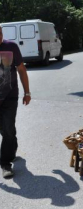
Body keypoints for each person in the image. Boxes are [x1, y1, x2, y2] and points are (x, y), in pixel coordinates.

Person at [0, 26, 31, 178]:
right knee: (5, 130)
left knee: (8, 129)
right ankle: (11, 147)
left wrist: (27, 92)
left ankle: (5, 164)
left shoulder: (11, 47)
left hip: (10, 96)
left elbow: (21, 69)